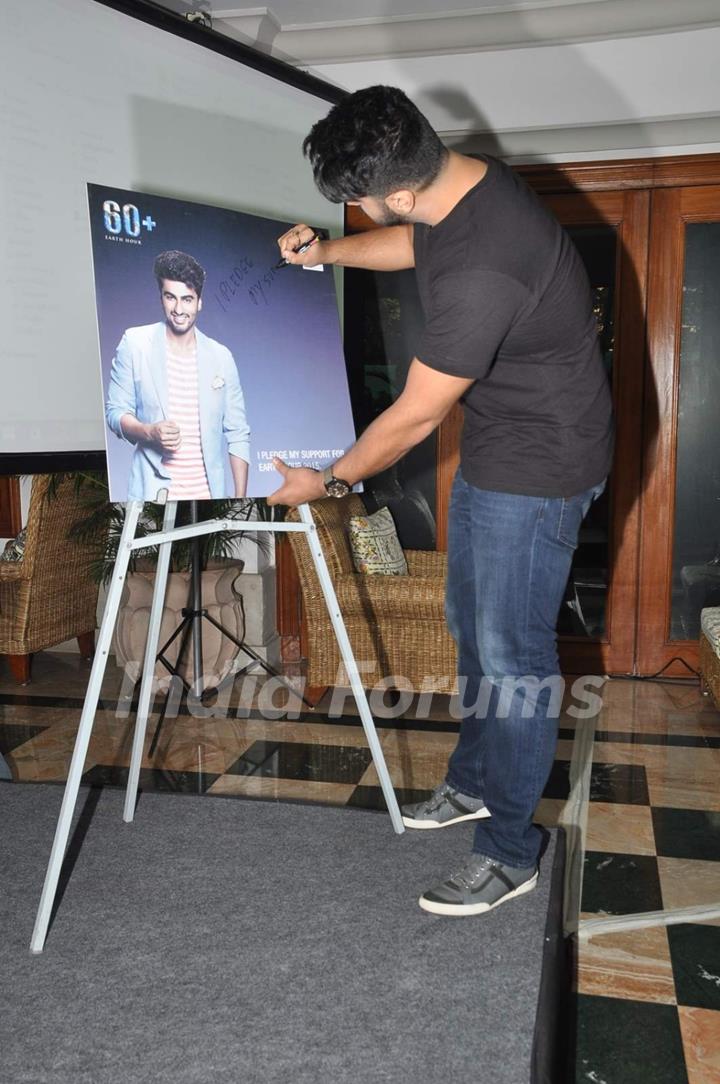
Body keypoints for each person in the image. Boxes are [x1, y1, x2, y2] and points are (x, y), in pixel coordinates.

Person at [268, 85, 613, 917]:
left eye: (357, 200)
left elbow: (417, 414)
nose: (354, 212)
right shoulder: (461, 189)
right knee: (472, 627)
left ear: (401, 188)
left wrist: (331, 481)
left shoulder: (489, 262)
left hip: (544, 463)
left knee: (515, 660)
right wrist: (328, 257)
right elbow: (411, 247)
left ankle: (509, 852)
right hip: (505, 440)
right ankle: (472, 784)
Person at [105, 250, 250, 501]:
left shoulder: (221, 357)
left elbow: (238, 433)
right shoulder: (135, 343)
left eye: (188, 299)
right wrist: (149, 431)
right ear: (161, 298)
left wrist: (239, 501)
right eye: (171, 297)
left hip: (209, 500)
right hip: (152, 497)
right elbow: (116, 412)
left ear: (199, 302)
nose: (179, 309)